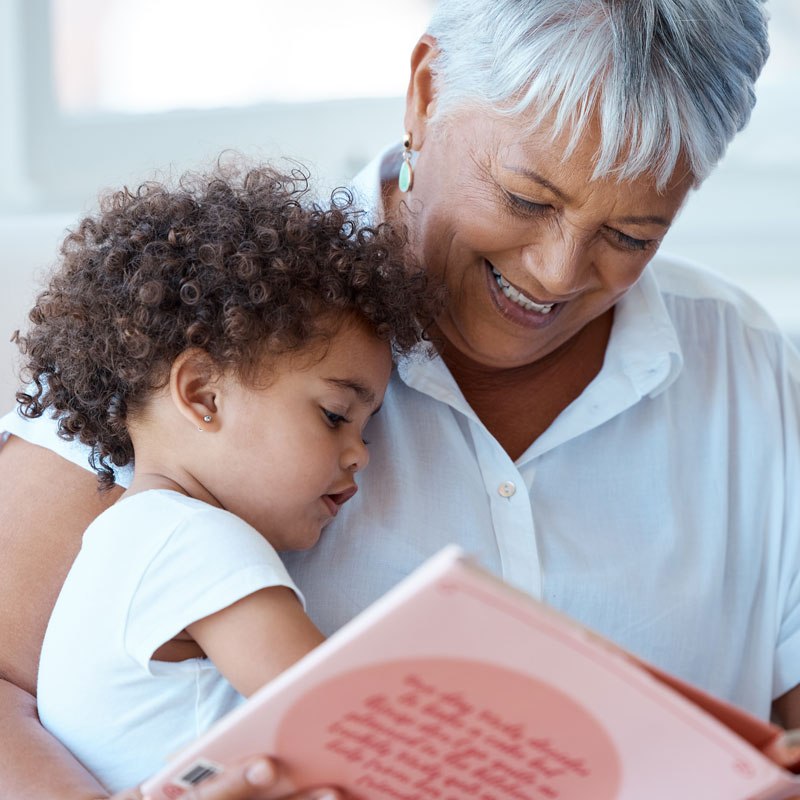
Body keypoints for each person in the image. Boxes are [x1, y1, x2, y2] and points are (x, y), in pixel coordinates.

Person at [2, 0, 797, 797]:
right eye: (527, 198)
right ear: (427, 92)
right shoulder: (206, 324)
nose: (557, 273)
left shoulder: (753, 372)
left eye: (631, 236)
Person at [6, 162, 433, 796]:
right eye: (335, 416)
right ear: (203, 393)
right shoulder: (198, 544)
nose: (360, 456)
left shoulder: (121, 538)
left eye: (366, 430)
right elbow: (344, 716)